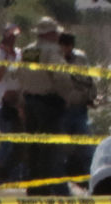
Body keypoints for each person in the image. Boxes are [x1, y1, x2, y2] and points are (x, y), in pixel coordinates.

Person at [15, 17, 75, 193]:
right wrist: (66, 95)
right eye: (55, 32)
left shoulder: (29, 51)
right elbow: (61, 76)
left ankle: (34, 188)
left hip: (30, 103)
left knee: (33, 148)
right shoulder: (51, 51)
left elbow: (19, 74)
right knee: (51, 149)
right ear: (50, 34)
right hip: (49, 104)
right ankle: (54, 188)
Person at [0, 23, 25, 183]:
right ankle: (0, 174)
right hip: (4, 104)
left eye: (15, 36)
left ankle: (17, 176)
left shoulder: (19, 53)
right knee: (7, 142)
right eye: (10, 36)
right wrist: (7, 58)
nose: (13, 39)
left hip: (19, 102)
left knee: (20, 143)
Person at [58, 31, 100, 180]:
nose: (67, 48)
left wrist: (92, 96)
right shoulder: (54, 59)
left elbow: (89, 80)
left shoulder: (80, 58)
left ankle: (91, 179)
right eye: (64, 45)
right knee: (59, 152)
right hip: (60, 111)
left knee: (87, 149)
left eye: (70, 45)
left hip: (79, 109)